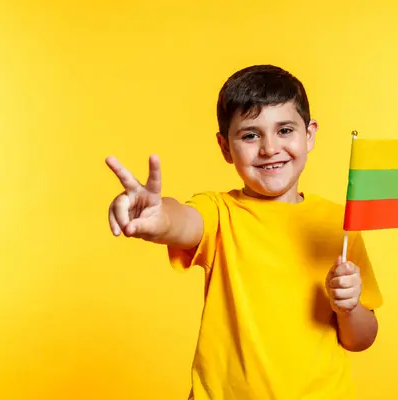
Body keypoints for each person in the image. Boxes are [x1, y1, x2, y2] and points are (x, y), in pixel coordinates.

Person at [105, 65, 383, 400]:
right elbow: (181, 221)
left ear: (309, 134)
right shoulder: (219, 212)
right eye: (250, 135)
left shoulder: (338, 223)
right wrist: (156, 215)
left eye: (284, 130)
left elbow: (361, 339)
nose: (269, 148)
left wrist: (349, 307)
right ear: (225, 147)